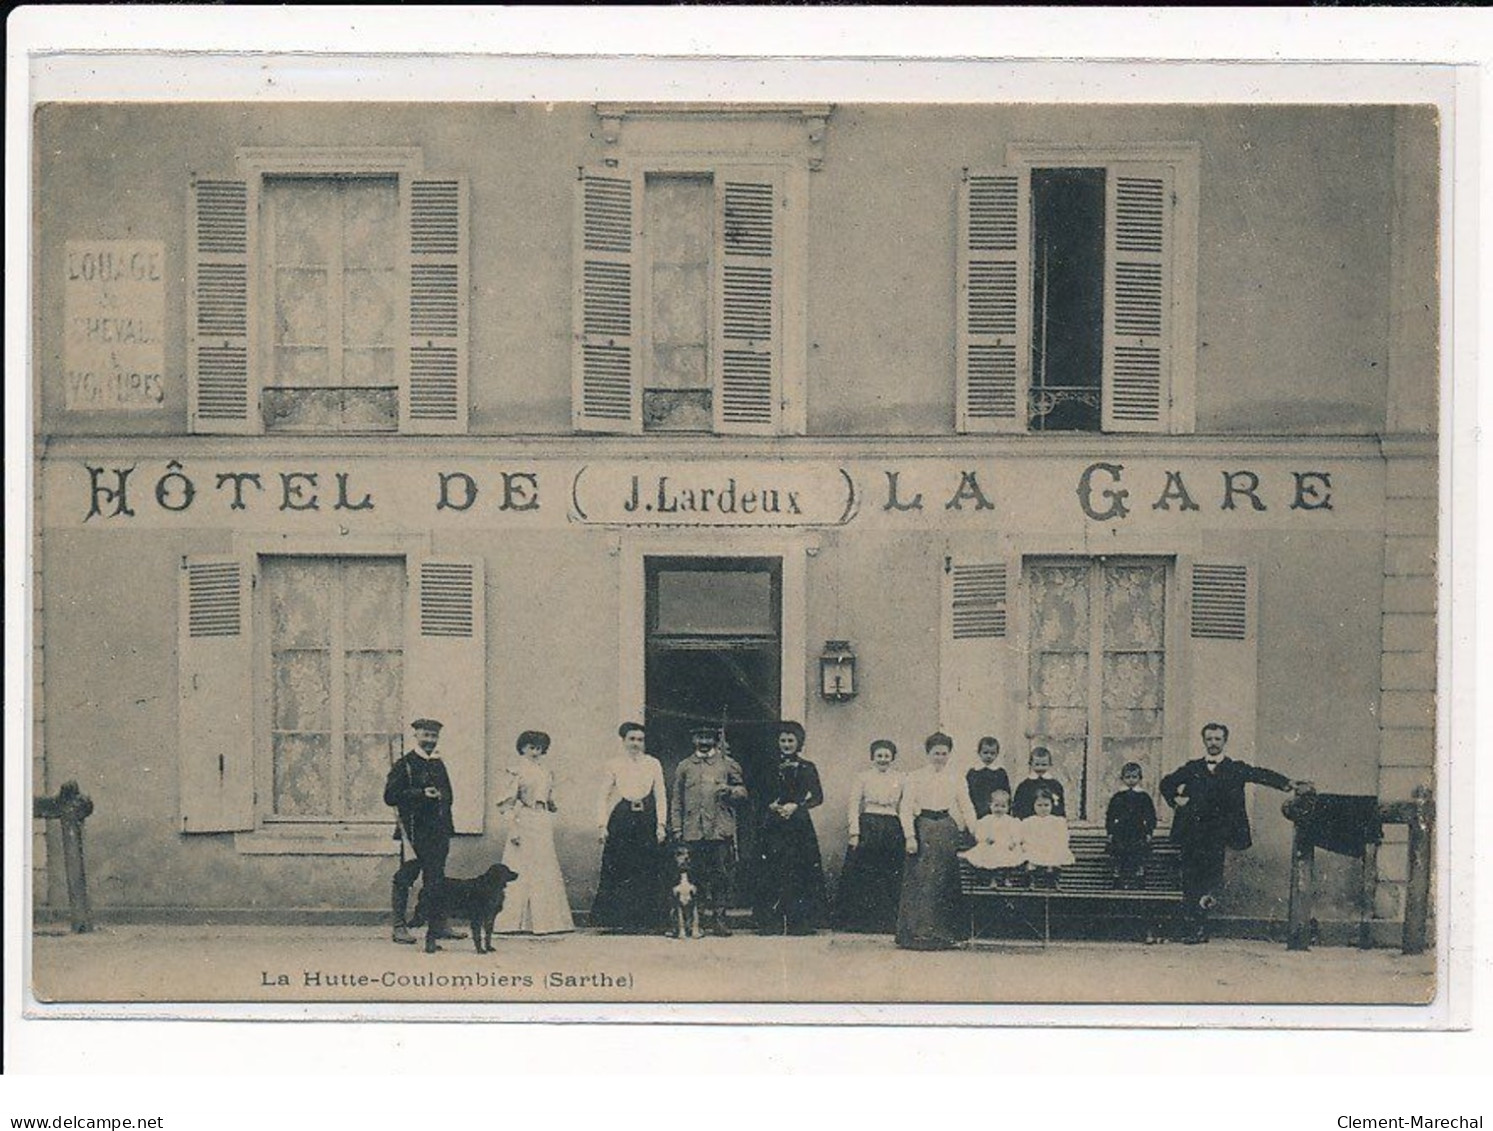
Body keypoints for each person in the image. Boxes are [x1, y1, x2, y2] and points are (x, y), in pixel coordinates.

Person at [1159, 722, 1296, 944]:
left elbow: (1259, 774)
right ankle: (1194, 927)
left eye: (1217, 739)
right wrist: (1175, 799)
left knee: (1212, 878)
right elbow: (1167, 783)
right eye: (1209, 739)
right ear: (1204, 741)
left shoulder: (1235, 768)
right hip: (1194, 833)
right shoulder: (1192, 768)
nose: (1213, 743)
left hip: (1218, 834)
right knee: (1191, 879)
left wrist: (1286, 784)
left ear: (1224, 742)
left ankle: (1202, 924)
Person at [384, 718, 464, 950]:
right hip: (413, 832)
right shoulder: (405, 764)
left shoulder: (439, 764)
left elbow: (449, 795)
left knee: (436, 879)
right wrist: (420, 793)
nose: (430, 740)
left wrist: (443, 809)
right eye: (426, 735)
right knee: (406, 877)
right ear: (416, 735)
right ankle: (399, 926)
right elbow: (390, 797)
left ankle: (438, 924)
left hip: (438, 831)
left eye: (434, 736)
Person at [895, 732, 974, 951]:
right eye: (935, 753)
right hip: (924, 828)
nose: (939, 757)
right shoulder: (915, 776)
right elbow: (906, 807)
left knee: (945, 879)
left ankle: (944, 934)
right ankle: (917, 934)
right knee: (921, 880)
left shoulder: (957, 777)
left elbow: (966, 805)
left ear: (949, 754)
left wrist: (975, 831)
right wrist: (910, 836)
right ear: (928, 753)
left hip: (946, 828)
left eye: (944, 753)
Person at [669, 724, 748, 937]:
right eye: (699, 737)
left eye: (707, 737)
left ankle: (719, 919)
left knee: (721, 876)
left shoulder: (727, 764)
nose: (703, 742)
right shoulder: (684, 766)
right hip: (693, 830)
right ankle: (698, 920)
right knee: (696, 876)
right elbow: (677, 799)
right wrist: (677, 827)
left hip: (719, 830)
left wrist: (730, 791)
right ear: (693, 740)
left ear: (715, 739)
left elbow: (743, 792)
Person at [493, 730, 574, 936]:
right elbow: (507, 803)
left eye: (539, 748)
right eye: (531, 747)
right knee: (521, 867)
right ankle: (511, 923)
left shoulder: (545, 771)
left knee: (543, 868)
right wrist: (513, 828)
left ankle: (546, 922)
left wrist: (553, 804)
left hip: (542, 821)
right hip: (524, 820)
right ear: (522, 748)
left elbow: (549, 797)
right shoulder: (516, 770)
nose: (535, 752)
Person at [591, 722, 668, 934]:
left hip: (646, 819)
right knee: (621, 867)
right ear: (623, 741)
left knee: (646, 867)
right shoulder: (614, 764)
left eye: (640, 740)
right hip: (622, 818)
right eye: (632, 739)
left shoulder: (653, 763)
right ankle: (619, 921)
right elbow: (602, 796)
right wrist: (602, 825)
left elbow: (660, 795)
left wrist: (661, 825)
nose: (636, 743)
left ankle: (646, 921)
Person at [755, 721, 827, 935]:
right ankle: (770, 923)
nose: (786, 744)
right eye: (783, 740)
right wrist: (771, 805)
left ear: (798, 743)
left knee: (799, 871)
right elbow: (758, 793)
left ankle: (799, 923)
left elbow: (818, 797)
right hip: (773, 826)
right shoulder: (767, 766)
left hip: (798, 827)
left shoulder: (808, 767)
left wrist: (796, 806)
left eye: (790, 740)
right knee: (772, 871)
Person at [833, 738, 906, 932]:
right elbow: (853, 804)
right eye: (879, 756)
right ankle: (861, 922)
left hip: (891, 825)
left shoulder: (901, 777)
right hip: (869, 825)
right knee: (864, 874)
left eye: (887, 756)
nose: (883, 759)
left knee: (889, 873)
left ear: (893, 758)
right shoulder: (863, 777)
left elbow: (907, 805)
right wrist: (855, 832)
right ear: (872, 757)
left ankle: (887, 922)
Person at [957, 787, 1026, 887]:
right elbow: (980, 832)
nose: (999, 809)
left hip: (1006, 845)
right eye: (996, 805)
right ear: (990, 806)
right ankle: (992, 879)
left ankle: (1006, 878)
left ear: (1008, 807)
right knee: (990, 858)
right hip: (992, 844)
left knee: (1010, 859)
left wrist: (1014, 842)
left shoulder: (1010, 821)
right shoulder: (987, 820)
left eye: (1003, 806)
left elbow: (1015, 832)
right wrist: (985, 838)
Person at [1105, 761, 1159, 890]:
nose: (1131, 780)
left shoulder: (1144, 797)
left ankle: (1139, 879)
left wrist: (1149, 832)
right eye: (1128, 777)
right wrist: (1110, 832)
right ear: (1122, 778)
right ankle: (1118, 879)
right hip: (1121, 831)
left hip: (1138, 831)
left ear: (1140, 778)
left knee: (1138, 855)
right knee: (1119, 855)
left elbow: (1150, 816)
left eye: (1134, 777)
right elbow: (1110, 816)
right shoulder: (1118, 796)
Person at [1020, 788, 1074, 889]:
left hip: (1051, 847)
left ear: (1052, 805)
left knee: (1054, 859)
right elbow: (1025, 836)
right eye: (1039, 805)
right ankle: (1032, 881)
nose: (1043, 808)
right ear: (1034, 806)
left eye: (1046, 805)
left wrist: (1056, 845)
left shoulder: (1057, 821)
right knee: (1031, 859)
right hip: (1035, 847)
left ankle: (1053, 880)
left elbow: (1063, 837)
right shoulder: (1029, 821)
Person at [1011, 746, 1067, 820]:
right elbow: (1018, 809)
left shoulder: (1056, 785)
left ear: (1050, 764)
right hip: (1029, 825)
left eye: (1044, 765)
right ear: (1030, 764)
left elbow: (1060, 809)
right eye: (1037, 764)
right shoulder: (1024, 786)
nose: (1040, 768)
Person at [966, 736, 1012, 820]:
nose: (989, 756)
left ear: (997, 754)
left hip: (997, 814)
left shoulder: (1000, 773)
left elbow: (1007, 795)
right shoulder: (973, 773)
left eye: (992, 753)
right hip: (976, 814)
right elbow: (968, 795)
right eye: (985, 752)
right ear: (979, 752)